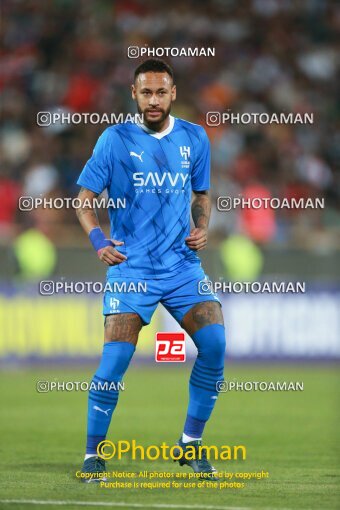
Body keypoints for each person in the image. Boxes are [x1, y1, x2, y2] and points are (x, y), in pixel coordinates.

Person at [76, 58, 226, 482]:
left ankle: (190, 443)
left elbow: (202, 194)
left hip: (181, 265)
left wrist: (202, 227)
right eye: (146, 92)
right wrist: (99, 240)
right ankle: (92, 454)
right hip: (131, 268)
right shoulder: (115, 140)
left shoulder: (195, 138)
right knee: (114, 361)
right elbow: (84, 200)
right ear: (134, 94)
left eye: (161, 92)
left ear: (173, 93)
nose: (154, 100)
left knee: (214, 345)